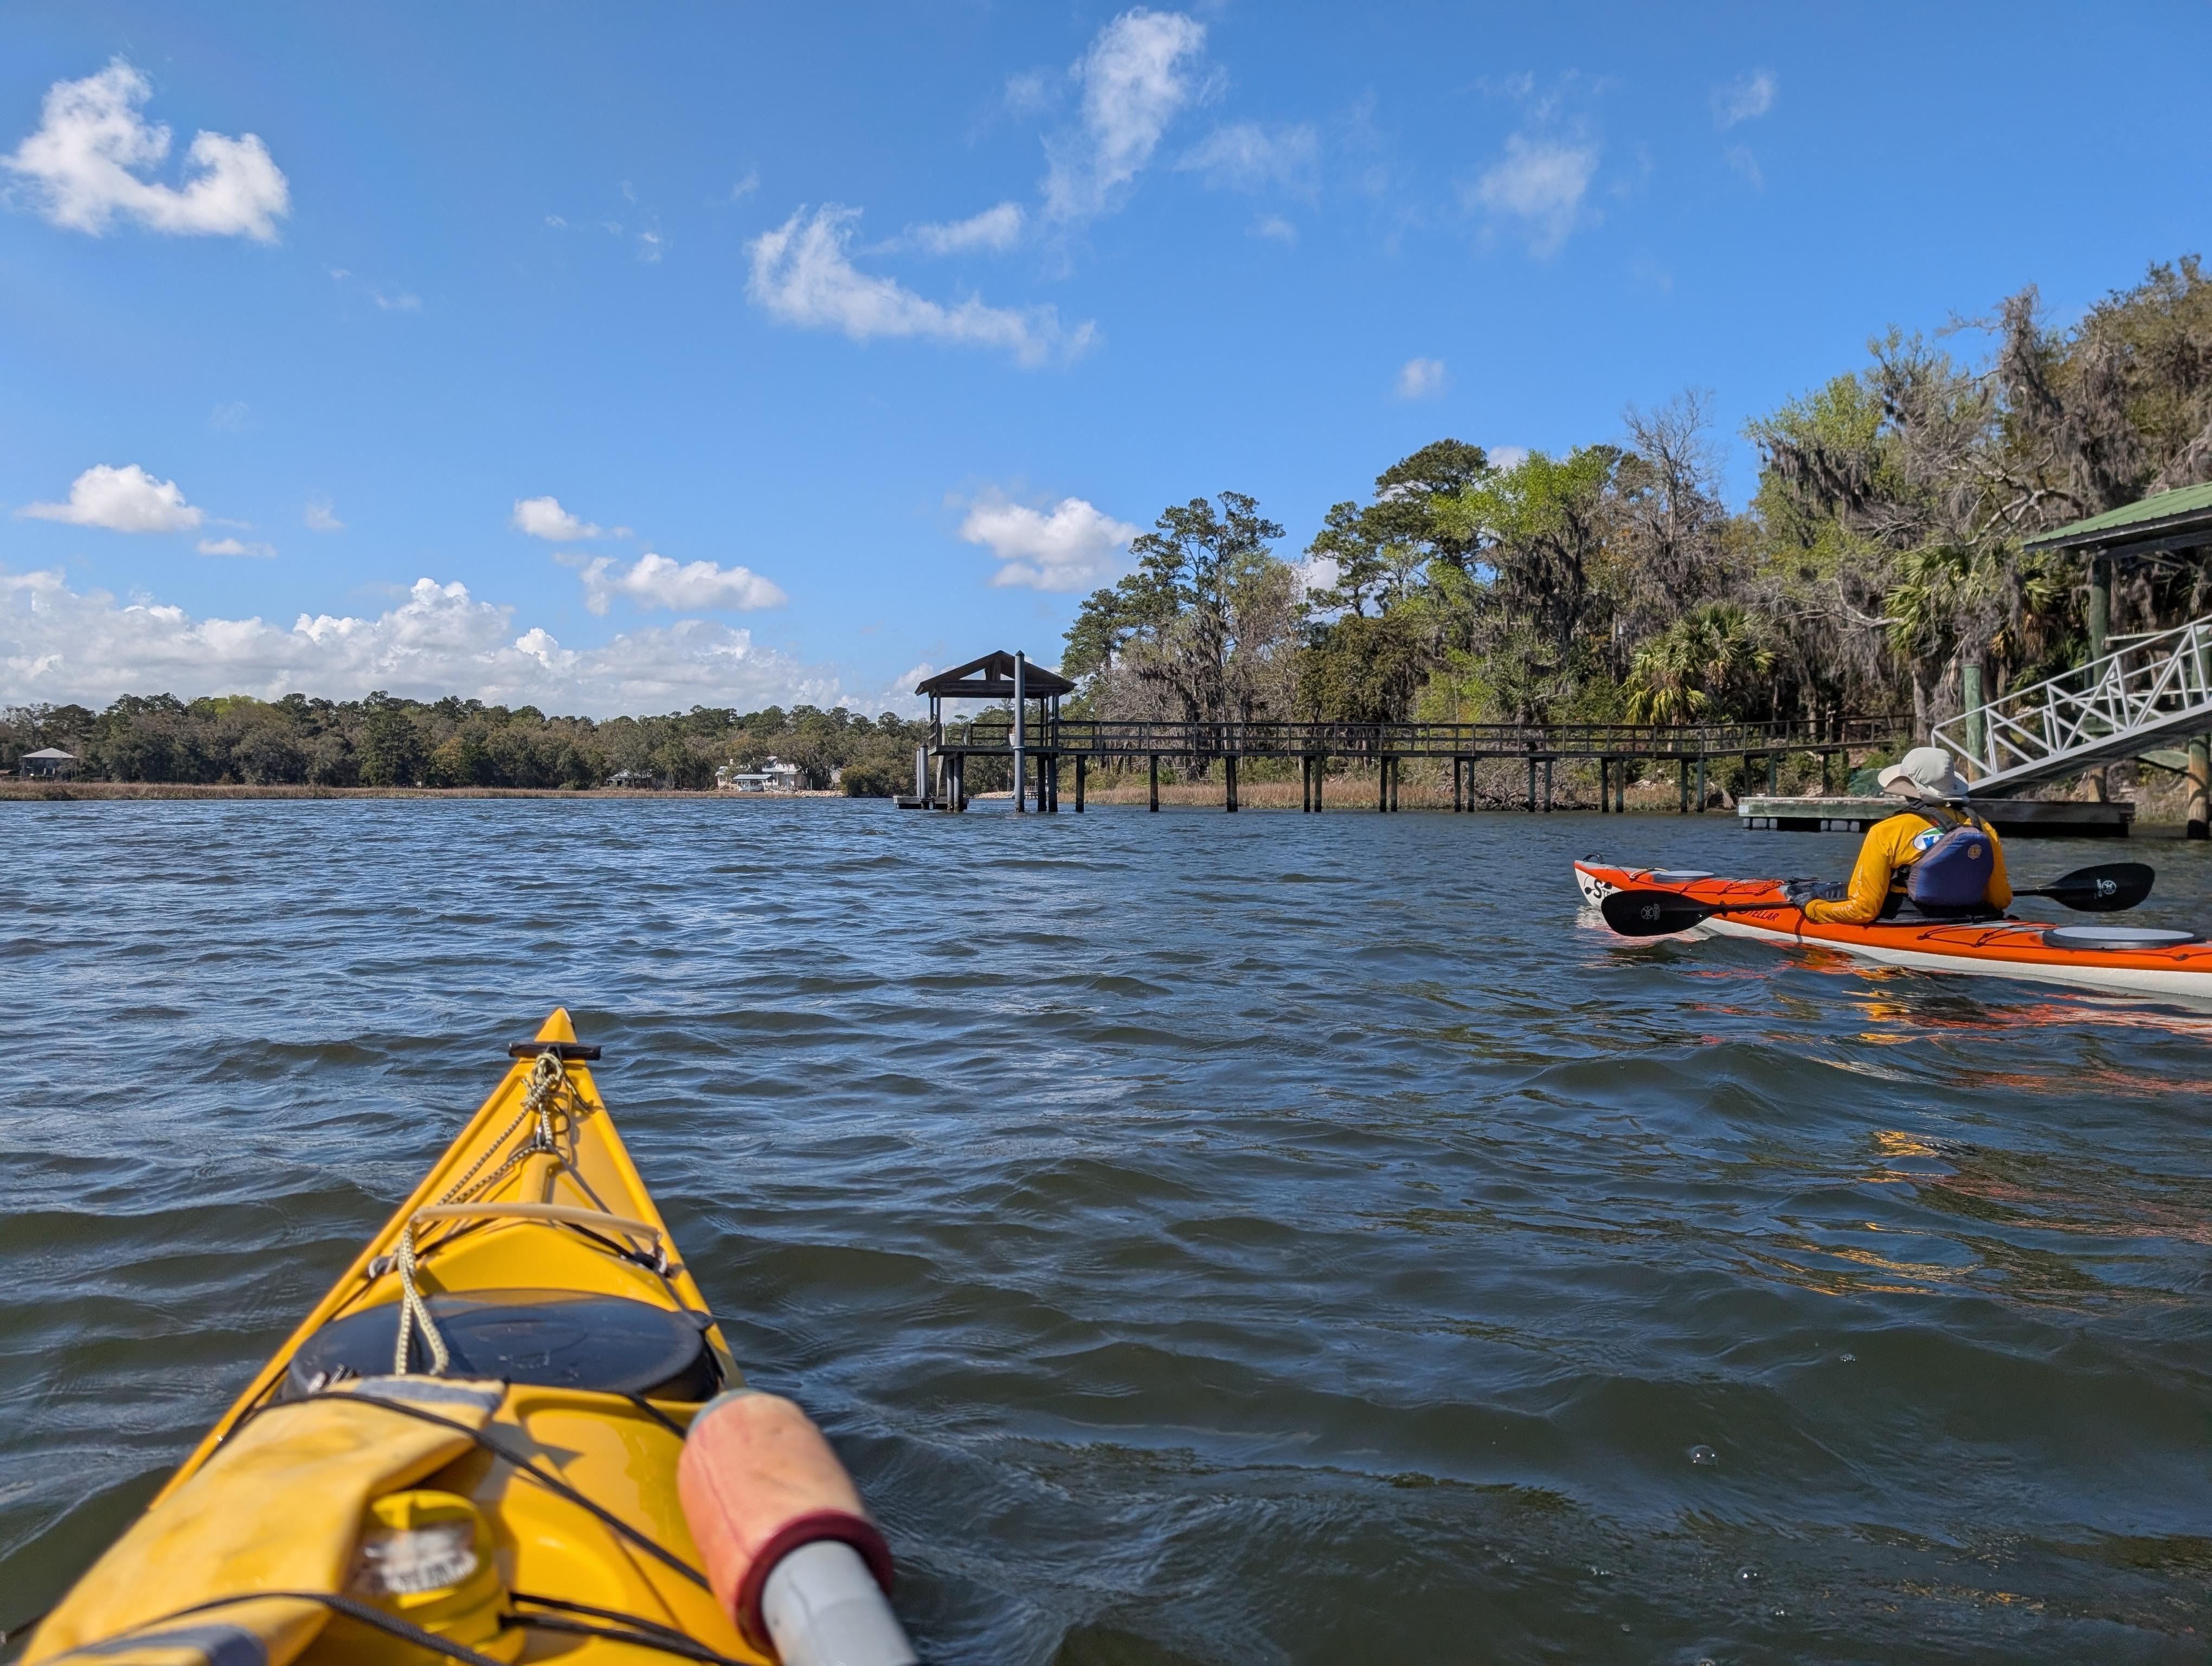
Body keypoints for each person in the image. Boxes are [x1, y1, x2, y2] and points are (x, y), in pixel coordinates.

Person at [1790, 747, 2012, 925]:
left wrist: (1813, 908)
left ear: (1906, 789)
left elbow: (1863, 910)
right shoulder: (1982, 827)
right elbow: (2001, 900)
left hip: (1910, 919)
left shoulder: (1886, 831)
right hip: (1970, 917)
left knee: (1819, 895)